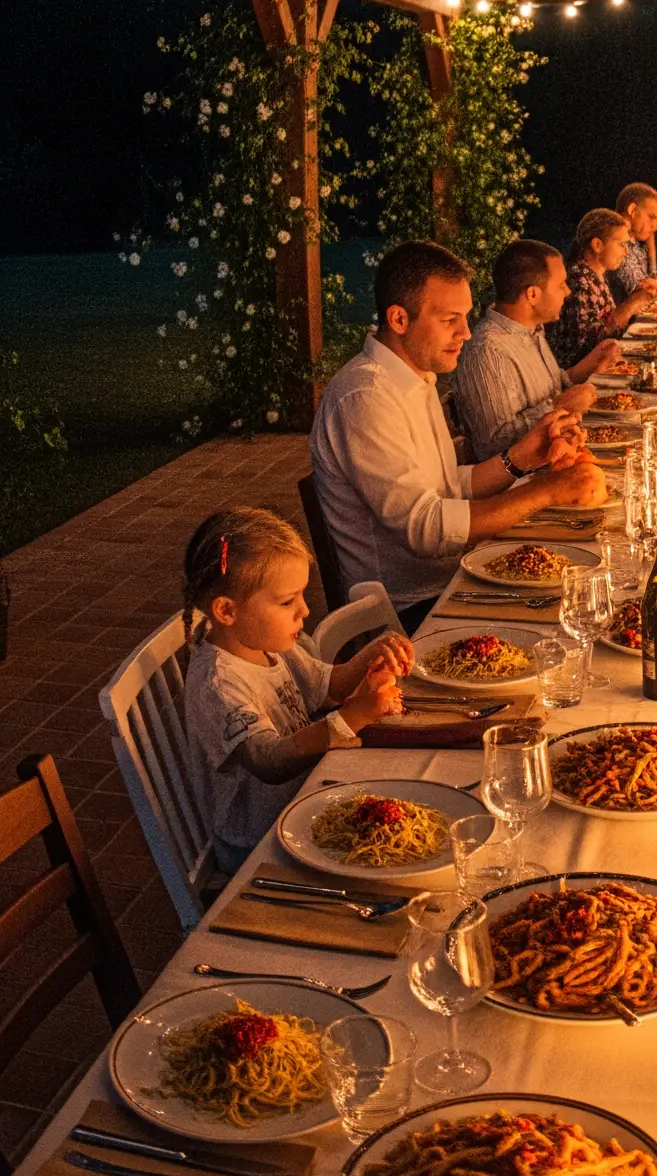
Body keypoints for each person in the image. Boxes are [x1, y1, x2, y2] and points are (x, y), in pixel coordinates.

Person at [310, 239, 603, 623]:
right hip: (411, 611)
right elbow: (426, 527)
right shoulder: (365, 397)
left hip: (452, 577)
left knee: (591, 574)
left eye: (466, 317)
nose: (466, 333)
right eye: (450, 320)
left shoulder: (416, 376)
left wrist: (521, 458)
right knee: (579, 608)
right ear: (399, 319)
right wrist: (545, 491)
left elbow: (448, 486)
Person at [181, 505, 413, 869]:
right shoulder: (219, 686)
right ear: (227, 611)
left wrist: (371, 654)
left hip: (306, 800)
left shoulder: (271, 644)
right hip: (260, 843)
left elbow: (328, 688)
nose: (304, 611)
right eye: (287, 601)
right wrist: (351, 717)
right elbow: (268, 761)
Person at [455, 239, 616, 460]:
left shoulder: (532, 329)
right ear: (532, 294)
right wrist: (559, 406)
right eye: (561, 285)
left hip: (560, 450)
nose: (568, 292)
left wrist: (592, 364)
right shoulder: (488, 351)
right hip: (526, 480)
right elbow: (492, 446)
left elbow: (550, 387)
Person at [549, 207, 657, 368]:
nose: (626, 251)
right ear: (597, 245)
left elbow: (607, 324)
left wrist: (639, 297)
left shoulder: (596, 275)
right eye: (621, 244)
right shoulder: (579, 281)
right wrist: (630, 306)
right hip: (584, 380)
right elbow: (589, 347)